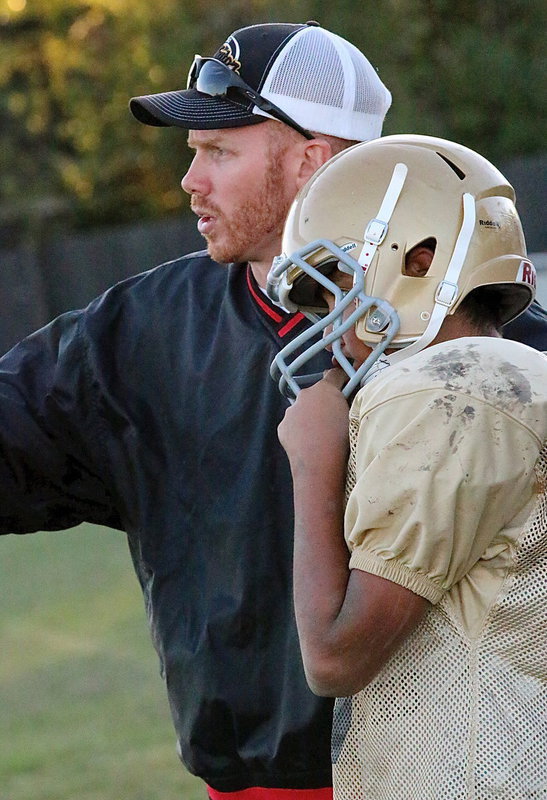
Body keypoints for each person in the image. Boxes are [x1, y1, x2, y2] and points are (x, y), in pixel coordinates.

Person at [0, 20, 545, 800]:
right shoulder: (144, 328)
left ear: (311, 162)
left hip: (451, 772)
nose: (191, 181)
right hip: (247, 782)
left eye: (218, 152)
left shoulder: (490, 350)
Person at [271, 134, 547, 798]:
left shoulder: (449, 384)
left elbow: (334, 657)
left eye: (337, 288)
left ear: (420, 259)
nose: (331, 328)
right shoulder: (508, 374)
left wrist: (312, 461)